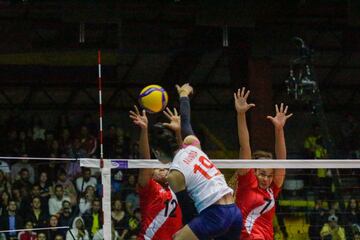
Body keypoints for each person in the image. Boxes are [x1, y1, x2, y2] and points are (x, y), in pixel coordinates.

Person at [149, 83, 242, 240]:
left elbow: (188, 211)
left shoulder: (174, 175)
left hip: (215, 215)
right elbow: (185, 123)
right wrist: (184, 95)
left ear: (158, 152)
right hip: (234, 212)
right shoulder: (193, 146)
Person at [231, 87, 292, 240]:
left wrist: (279, 130)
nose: (266, 179)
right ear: (254, 171)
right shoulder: (247, 181)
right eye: (262, 174)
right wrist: (241, 114)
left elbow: (282, 159)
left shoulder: (273, 189)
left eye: (270, 176)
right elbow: (245, 145)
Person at [129, 105, 182, 240]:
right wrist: (144, 129)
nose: (163, 170)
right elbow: (145, 160)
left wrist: (178, 132)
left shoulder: (178, 187)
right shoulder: (149, 187)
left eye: (165, 168)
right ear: (151, 172)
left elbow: (183, 157)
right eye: (158, 168)